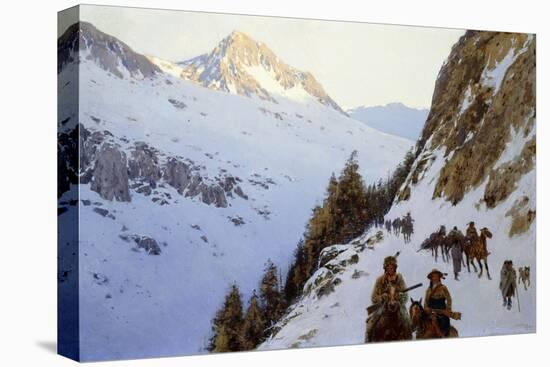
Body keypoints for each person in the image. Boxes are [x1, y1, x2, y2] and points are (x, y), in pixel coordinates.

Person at [367, 255, 411, 338]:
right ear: (385, 268)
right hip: (383, 306)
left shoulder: (399, 279)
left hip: (398, 305)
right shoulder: (380, 280)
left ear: (395, 268)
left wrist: (400, 296)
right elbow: (373, 297)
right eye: (388, 267)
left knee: (407, 321)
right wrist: (382, 297)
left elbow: (405, 296)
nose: (390, 269)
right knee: (370, 324)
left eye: (392, 267)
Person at [424, 269, 453, 336]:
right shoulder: (428, 290)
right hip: (430, 311)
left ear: (439, 278)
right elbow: (426, 301)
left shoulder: (443, 288)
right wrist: (426, 308)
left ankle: (442, 335)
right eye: (433, 277)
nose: (435, 278)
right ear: (431, 278)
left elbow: (449, 299)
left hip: (441, 311)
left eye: (436, 276)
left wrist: (448, 309)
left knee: (443, 323)